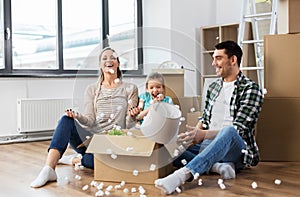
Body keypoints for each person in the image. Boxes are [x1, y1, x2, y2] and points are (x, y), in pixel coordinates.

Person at [154, 40, 264, 194]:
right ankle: (217, 166)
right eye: (213, 58)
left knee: (229, 131)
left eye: (218, 58)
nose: (213, 63)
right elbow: (205, 119)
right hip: (208, 144)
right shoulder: (213, 87)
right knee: (168, 143)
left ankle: (181, 176)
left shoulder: (251, 89)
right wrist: (193, 136)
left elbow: (239, 130)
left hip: (236, 148)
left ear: (233, 60)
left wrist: (203, 135)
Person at [30, 47, 139, 188]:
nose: (108, 61)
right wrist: (77, 116)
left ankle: (76, 159)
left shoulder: (130, 88)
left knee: (100, 162)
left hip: (113, 144)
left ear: (118, 63)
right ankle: (49, 169)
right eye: (104, 58)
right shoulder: (92, 89)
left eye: (112, 57)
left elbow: (128, 125)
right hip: (91, 141)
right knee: (65, 120)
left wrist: (132, 116)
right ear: (100, 65)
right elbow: (90, 120)